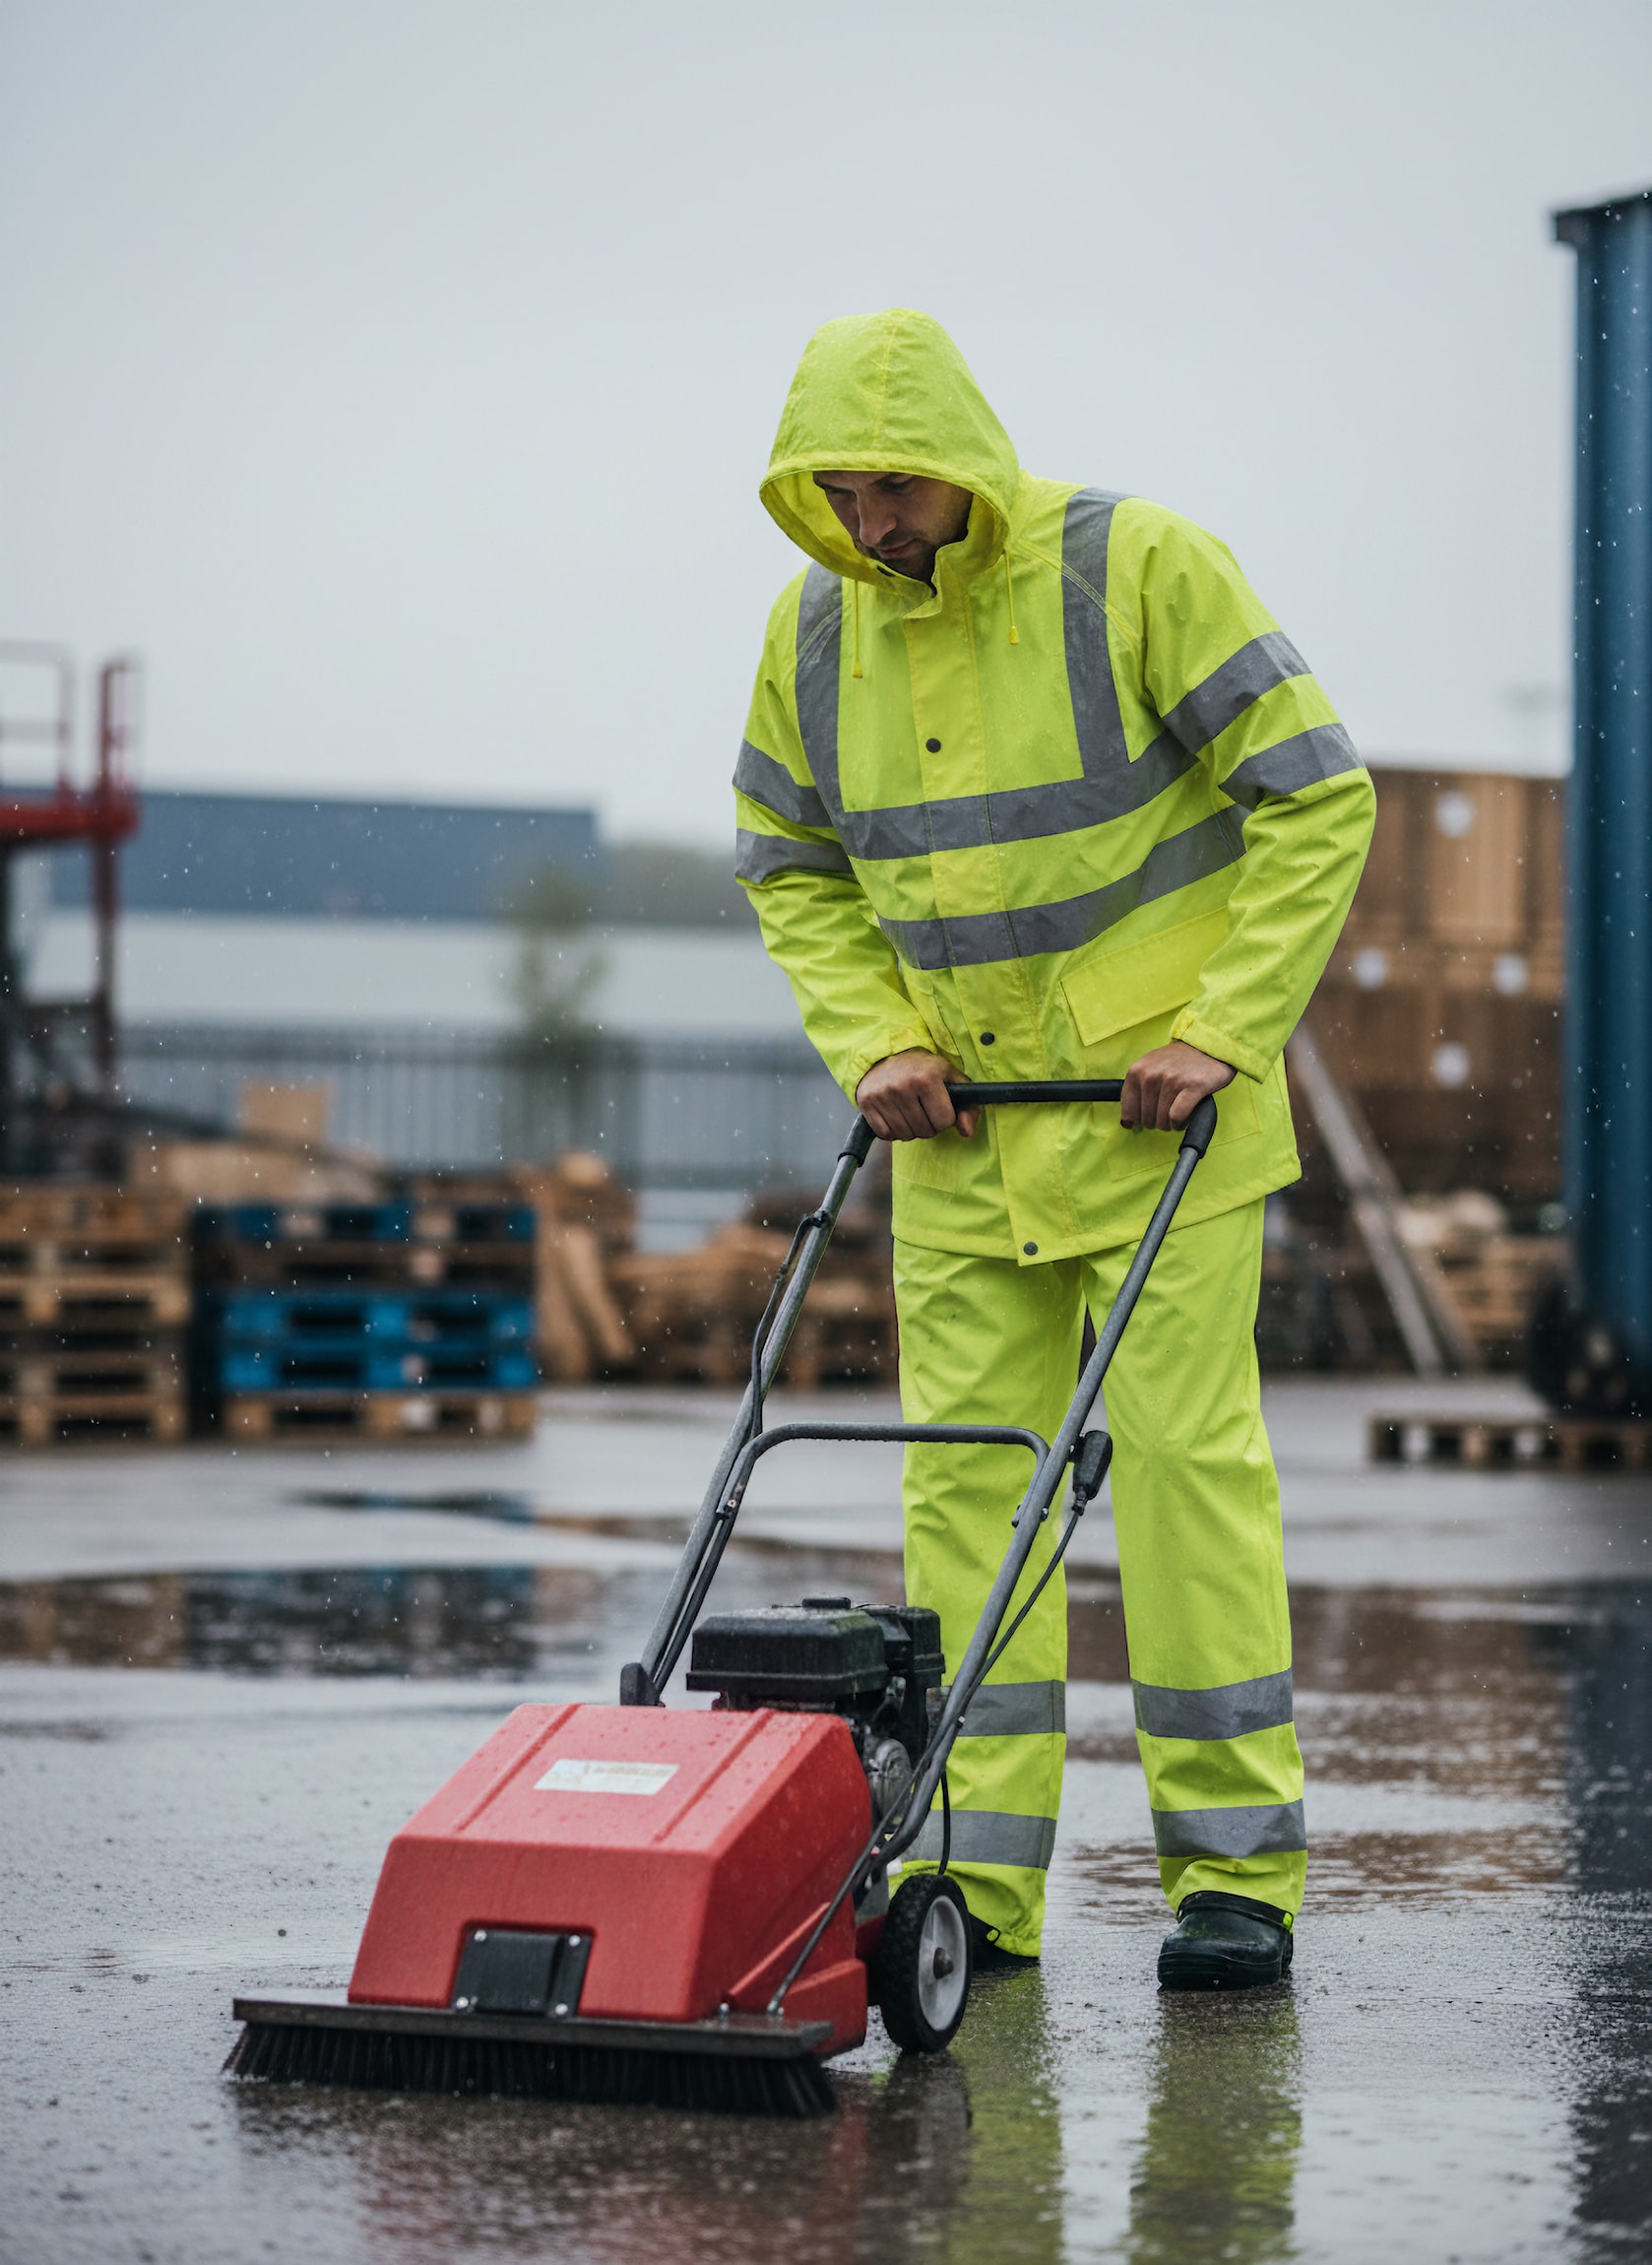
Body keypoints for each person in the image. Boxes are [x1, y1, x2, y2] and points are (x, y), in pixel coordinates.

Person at [733, 308, 1373, 1989]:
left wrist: (1221, 1027)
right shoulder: (813, 633)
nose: (867, 523)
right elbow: (787, 863)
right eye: (836, 495)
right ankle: (970, 1881)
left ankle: (1233, 1882)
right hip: (958, 1144)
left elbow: (1317, 794)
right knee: (964, 1504)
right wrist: (875, 1043)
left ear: (957, 457)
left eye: (890, 487)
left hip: (1160, 1127)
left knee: (1180, 1487)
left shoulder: (1136, 569)